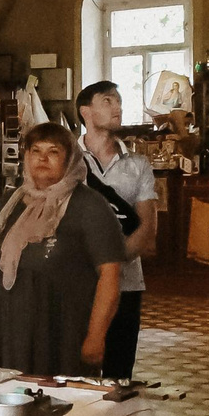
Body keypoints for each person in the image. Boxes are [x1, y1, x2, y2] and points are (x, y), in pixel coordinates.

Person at [0, 122, 126, 375]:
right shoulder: (12, 201)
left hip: (59, 334)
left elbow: (110, 274)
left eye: (53, 152)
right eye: (35, 151)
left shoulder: (89, 206)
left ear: (70, 159)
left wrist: (96, 337)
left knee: (59, 406)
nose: (42, 159)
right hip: (2, 332)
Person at [76, 81, 161, 381]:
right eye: (108, 101)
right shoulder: (67, 161)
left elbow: (147, 225)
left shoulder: (138, 165)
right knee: (76, 370)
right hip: (76, 282)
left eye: (119, 101)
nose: (118, 108)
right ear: (85, 111)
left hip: (126, 283)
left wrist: (112, 263)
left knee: (119, 370)